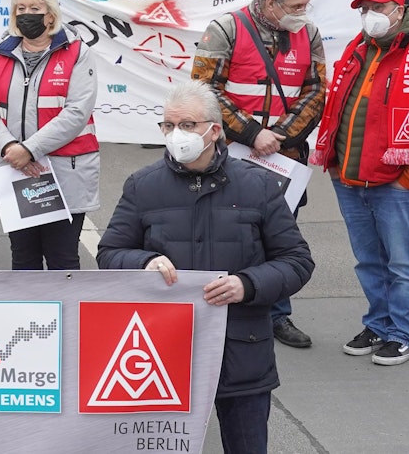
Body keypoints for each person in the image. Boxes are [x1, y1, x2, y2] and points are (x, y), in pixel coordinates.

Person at [98, 81, 313, 454]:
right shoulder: (143, 186)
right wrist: (144, 261)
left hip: (242, 349)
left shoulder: (258, 186)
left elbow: (296, 261)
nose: (175, 134)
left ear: (214, 131)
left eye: (186, 125)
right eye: (167, 125)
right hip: (162, 352)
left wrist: (247, 285)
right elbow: (110, 253)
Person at [316, 0, 409, 365]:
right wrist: (333, 163)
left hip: (395, 184)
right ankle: (379, 323)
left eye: (377, 8)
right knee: (368, 259)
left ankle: (405, 333)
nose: (369, 16)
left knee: (403, 263)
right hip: (349, 177)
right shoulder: (356, 49)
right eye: (363, 9)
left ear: (397, 10)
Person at [192, 0, 326, 350]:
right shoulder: (226, 29)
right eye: (296, 6)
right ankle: (221, 310)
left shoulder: (309, 34)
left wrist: (282, 135)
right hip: (231, 153)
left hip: (284, 155)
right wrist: (252, 133)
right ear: (270, 4)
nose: (304, 12)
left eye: (305, 5)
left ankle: (277, 315)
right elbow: (205, 90)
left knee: (280, 236)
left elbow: (316, 90)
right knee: (227, 233)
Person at [0, 0, 100, 271]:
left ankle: (64, 318)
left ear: (51, 15)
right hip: (14, 172)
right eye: (21, 8)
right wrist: (9, 146)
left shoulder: (77, 52)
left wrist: (28, 150)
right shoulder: (0, 51)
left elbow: (77, 112)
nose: (26, 14)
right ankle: (26, 318)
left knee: (62, 259)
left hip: (63, 171)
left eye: (34, 8)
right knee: (24, 259)